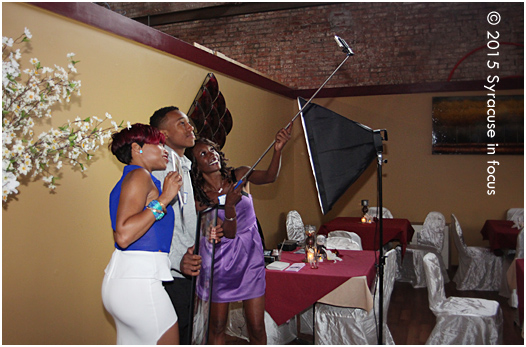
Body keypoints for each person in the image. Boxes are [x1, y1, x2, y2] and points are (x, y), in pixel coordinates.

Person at [187, 126, 292, 344]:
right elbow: (228, 232)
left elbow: (270, 177)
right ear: (196, 166)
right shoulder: (201, 198)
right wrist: (230, 207)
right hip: (218, 261)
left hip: (250, 257)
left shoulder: (240, 175)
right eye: (203, 154)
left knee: (255, 325)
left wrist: (278, 150)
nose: (211, 155)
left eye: (212, 150)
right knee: (216, 326)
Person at [102, 123, 182, 344]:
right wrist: (164, 199)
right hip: (139, 283)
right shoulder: (140, 176)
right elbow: (124, 235)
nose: (165, 150)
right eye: (158, 144)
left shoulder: (135, 177)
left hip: (128, 280)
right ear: (137, 149)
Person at [150, 106, 223, 344]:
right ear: (164, 134)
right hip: (172, 273)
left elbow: (183, 221)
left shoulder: (182, 164)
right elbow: (151, 222)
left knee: (191, 334)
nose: (190, 127)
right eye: (181, 123)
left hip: (188, 268)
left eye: (188, 122)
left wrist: (204, 233)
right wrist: (175, 258)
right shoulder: (161, 169)